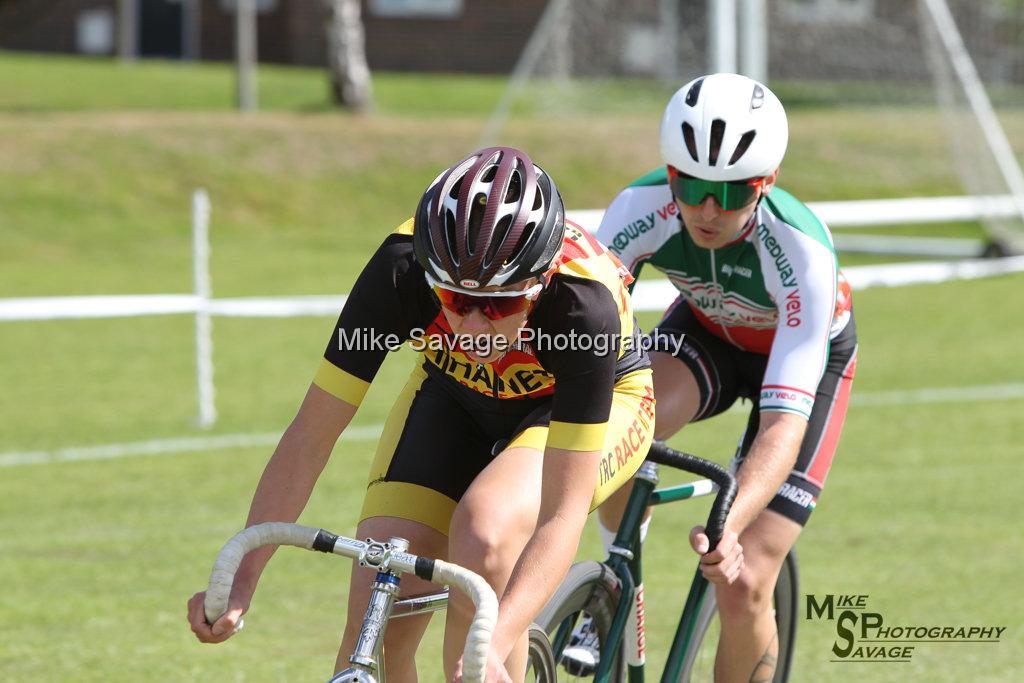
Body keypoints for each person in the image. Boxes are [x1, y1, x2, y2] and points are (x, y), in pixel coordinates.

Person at [185, 146, 657, 682]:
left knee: (485, 536)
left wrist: (491, 646)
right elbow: (312, 434)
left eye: (501, 305)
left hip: (587, 400)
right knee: (375, 603)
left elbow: (561, 514)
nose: (476, 326)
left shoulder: (582, 305)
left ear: (543, 281)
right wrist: (243, 578)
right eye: (455, 300)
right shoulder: (401, 267)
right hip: (456, 390)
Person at [570, 73, 859, 682]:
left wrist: (729, 524)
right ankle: (611, 588)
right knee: (620, 427)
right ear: (670, 174)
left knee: (746, 573)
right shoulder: (636, 210)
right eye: (692, 185)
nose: (706, 209)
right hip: (707, 334)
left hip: (805, 355)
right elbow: (587, 347)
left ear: (768, 183)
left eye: (731, 193)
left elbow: (783, 425)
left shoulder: (802, 253)